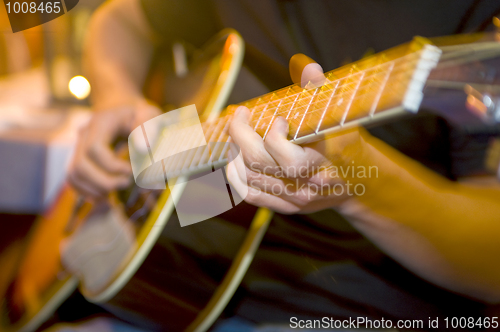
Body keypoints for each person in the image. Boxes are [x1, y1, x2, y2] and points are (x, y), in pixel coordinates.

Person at [69, 0, 500, 329]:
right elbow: (120, 20)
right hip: (175, 271)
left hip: (336, 305)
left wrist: (359, 186)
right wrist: (115, 96)